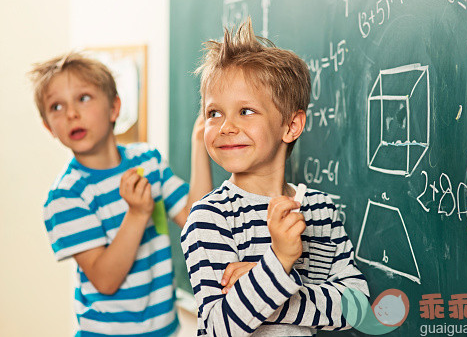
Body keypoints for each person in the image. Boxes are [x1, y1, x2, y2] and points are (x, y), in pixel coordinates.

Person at [180, 18, 369, 337]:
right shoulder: (209, 218)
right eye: (214, 113)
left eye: (246, 111)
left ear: (291, 126)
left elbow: (357, 307)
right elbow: (217, 328)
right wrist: (279, 261)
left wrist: (273, 285)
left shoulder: (319, 211)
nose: (226, 126)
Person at [30, 52, 212, 336]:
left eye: (84, 98)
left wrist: (200, 143)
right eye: (56, 106)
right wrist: (138, 213)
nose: (71, 113)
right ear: (48, 127)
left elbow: (197, 219)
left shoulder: (148, 162)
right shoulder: (66, 196)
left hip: (166, 329)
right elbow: (105, 280)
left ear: (115, 107)